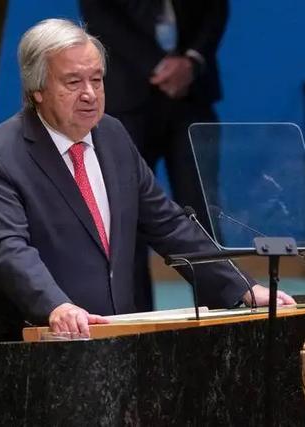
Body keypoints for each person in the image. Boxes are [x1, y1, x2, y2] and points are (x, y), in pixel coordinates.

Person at [0, 19, 294, 342]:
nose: (90, 94)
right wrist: (56, 306)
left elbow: (168, 225)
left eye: (97, 79)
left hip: (113, 339)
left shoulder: (113, 135)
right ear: (37, 90)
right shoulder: (2, 154)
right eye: (73, 82)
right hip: (33, 344)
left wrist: (243, 288)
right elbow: (8, 248)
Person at [79, 0, 229, 308]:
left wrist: (191, 61)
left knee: (204, 214)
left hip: (192, 97)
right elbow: (99, 13)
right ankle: (137, 324)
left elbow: (215, 8)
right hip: (126, 99)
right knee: (126, 217)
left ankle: (222, 315)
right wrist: (159, 65)